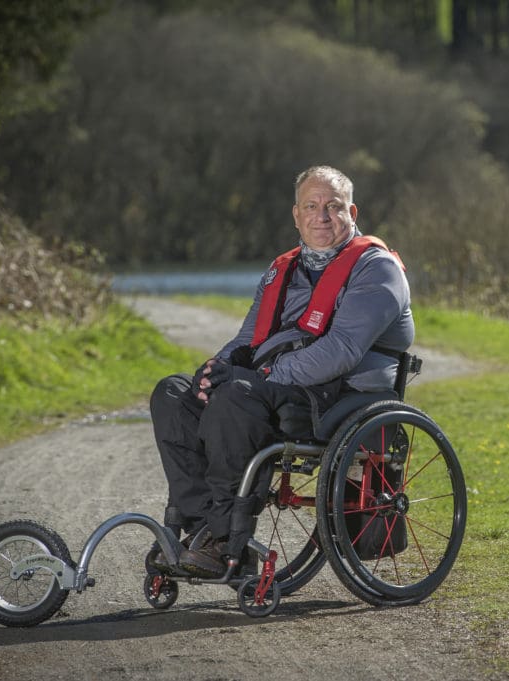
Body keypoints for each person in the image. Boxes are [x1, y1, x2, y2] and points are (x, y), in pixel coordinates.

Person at [148, 165, 415, 578]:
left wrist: (262, 378)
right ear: (296, 214)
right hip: (275, 386)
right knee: (173, 394)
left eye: (333, 206)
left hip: (339, 395)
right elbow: (248, 338)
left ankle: (226, 541)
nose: (321, 216)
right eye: (311, 206)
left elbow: (341, 351)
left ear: (352, 211)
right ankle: (203, 526)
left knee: (237, 396)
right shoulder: (282, 270)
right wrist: (215, 368)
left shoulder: (375, 268)